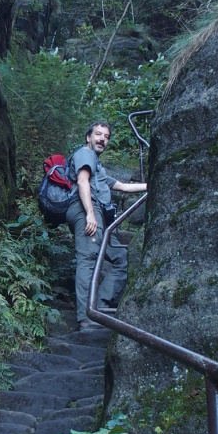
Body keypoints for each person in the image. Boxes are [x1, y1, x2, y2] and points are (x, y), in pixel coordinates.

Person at [66, 121, 147, 330]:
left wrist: (151, 184)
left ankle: (99, 306)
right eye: (98, 134)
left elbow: (121, 186)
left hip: (100, 216)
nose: (102, 139)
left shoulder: (98, 166)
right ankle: (86, 318)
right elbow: (83, 182)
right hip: (87, 209)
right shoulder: (86, 154)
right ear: (88, 137)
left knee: (121, 258)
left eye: (106, 136)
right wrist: (90, 215)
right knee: (89, 258)